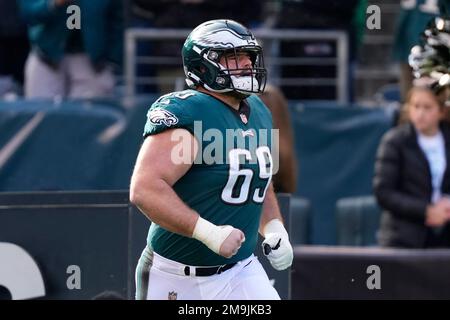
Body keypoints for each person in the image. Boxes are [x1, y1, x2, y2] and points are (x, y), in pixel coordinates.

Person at [130, 19, 293, 300]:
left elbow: (260, 179)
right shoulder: (189, 112)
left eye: (248, 56)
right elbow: (144, 189)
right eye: (234, 57)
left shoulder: (259, 110)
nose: (245, 64)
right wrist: (207, 233)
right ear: (204, 65)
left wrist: (275, 227)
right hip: (176, 275)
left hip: (240, 270)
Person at [374, 84, 450, 248]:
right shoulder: (394, 141)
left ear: (441, 111)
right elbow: (383, 192)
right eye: (415, 106)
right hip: (402, 240)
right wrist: (426, 211)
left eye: (427, 107)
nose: (420, 114)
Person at [18, 0, 123, 99]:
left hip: (91, 61)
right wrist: (53, 3)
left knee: (87, 115)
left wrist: (111, 60)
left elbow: (118, 20)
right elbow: (28, 12)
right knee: (42, 114)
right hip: (47, 57)